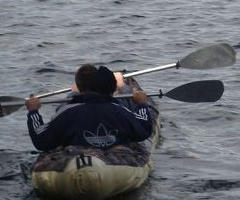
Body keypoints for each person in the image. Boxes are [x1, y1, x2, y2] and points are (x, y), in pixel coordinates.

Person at [25, 64, 153, 151]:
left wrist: (33, 111)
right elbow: (143, 130)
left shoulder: (67, 112)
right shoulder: (121, 111)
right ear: (113, 90)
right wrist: (141, 104)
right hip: (114, 167)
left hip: (75, 160)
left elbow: (41, 139)